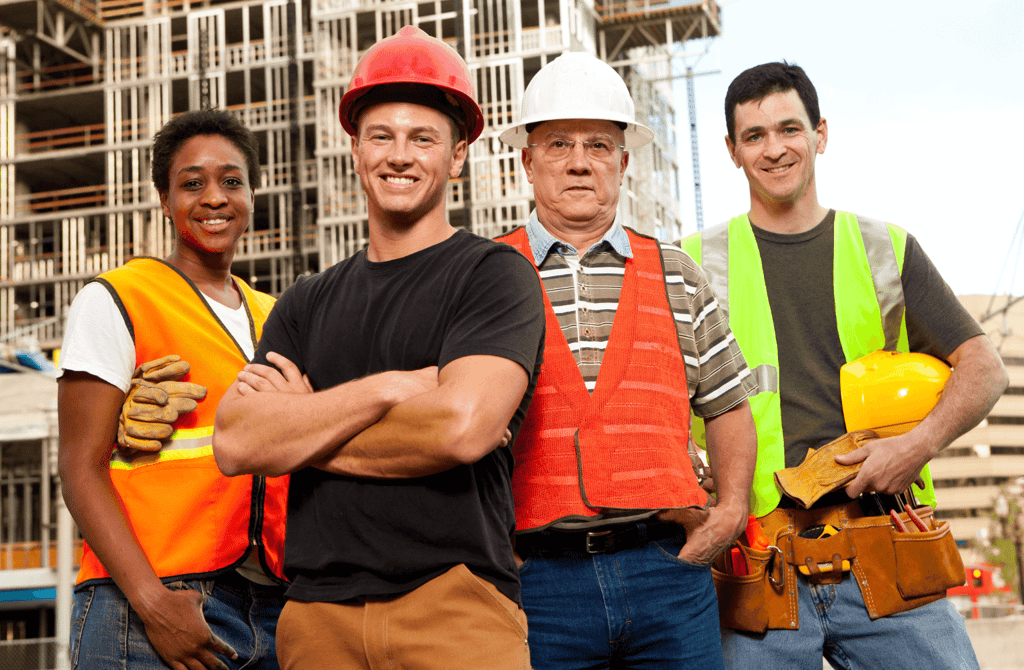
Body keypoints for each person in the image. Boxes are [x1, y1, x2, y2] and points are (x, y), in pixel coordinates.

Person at [212, 26, 545, 670]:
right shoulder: (305, 301)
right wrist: (389, 389)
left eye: (423, 139)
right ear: (356, 150)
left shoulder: (494, 276)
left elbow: (460, 429)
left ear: (457, 156)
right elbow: (237, 442)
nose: (400, 156)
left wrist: (303, 429)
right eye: (381, 137)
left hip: (455, 609)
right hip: (316, 622)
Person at [681, 61, 1008, 670]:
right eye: (754, 136)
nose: (774, 149)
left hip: (886, 547)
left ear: (820, 134)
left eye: (789, 129)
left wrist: (915, 446)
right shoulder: (693, 263)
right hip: (759, 562)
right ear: (732, 151)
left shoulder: (884, 247)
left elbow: (986, 369)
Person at [494, 52, 758, 669]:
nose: (579, 162)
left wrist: (730, 511)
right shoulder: (487, 276)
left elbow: (728, 405)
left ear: (623, 162)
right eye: (558, 144)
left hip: (668, 573)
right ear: (527, 161)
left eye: (598, 145)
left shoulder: (677, 274)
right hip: (537, 581)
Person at [57, 109, 288, 670]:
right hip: (147, 602)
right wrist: (152, 603)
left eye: (231, 181)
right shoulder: (118, 298)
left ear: (251, 195)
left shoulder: (276, 317)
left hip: (270, 608)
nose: (214, 198)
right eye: (192, 184)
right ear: (164, 199)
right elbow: (79, 467)